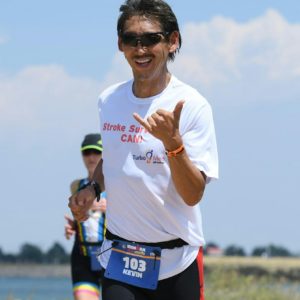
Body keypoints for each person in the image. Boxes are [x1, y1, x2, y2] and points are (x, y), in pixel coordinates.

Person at [69, 1, 218, 299]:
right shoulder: (109, 100)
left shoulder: (192, 106)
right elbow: (113, 158)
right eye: (130, 39)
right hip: (121, 257)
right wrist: (93, 187)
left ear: (172, 40)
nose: (140, 49)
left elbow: (193, 194)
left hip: (177, 260)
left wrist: (173, 145)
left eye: (151, 38)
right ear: (120, 44)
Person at [65, 133, 107, 300]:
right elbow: (82, 217)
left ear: (105, 155)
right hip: (82, 254)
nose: (91, 157)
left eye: (96, 152)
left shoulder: (117, 184)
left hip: (111, 254)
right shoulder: (76, 185)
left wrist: (109, 208)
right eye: (87, 152)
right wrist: (73, 225)